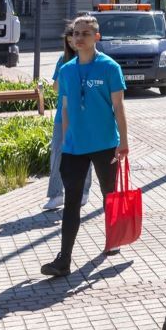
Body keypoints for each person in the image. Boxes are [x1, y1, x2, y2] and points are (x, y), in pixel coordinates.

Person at [41, 14, 130, 278]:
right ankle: (64, 260)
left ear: (97, 38)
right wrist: (67, 141)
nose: (79, 38)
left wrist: (123, 141)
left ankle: (113, 241)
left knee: (109, 195)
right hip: (75, 147)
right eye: (76, 34)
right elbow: (66, 108)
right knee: (71, 202)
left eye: (85, 34)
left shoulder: (110, 67)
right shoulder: (67, 70)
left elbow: (119, 106)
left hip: (105, 144)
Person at [43, 26, 89, 211]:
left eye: (76, 40)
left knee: (84, 152)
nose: (74, 44)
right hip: (62, 114)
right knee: (57, 151)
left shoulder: (89, 61)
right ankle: (56, 194)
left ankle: (84, 191)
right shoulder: (63, 60)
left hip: (83, 115)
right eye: (70, 42)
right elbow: (55, 87)